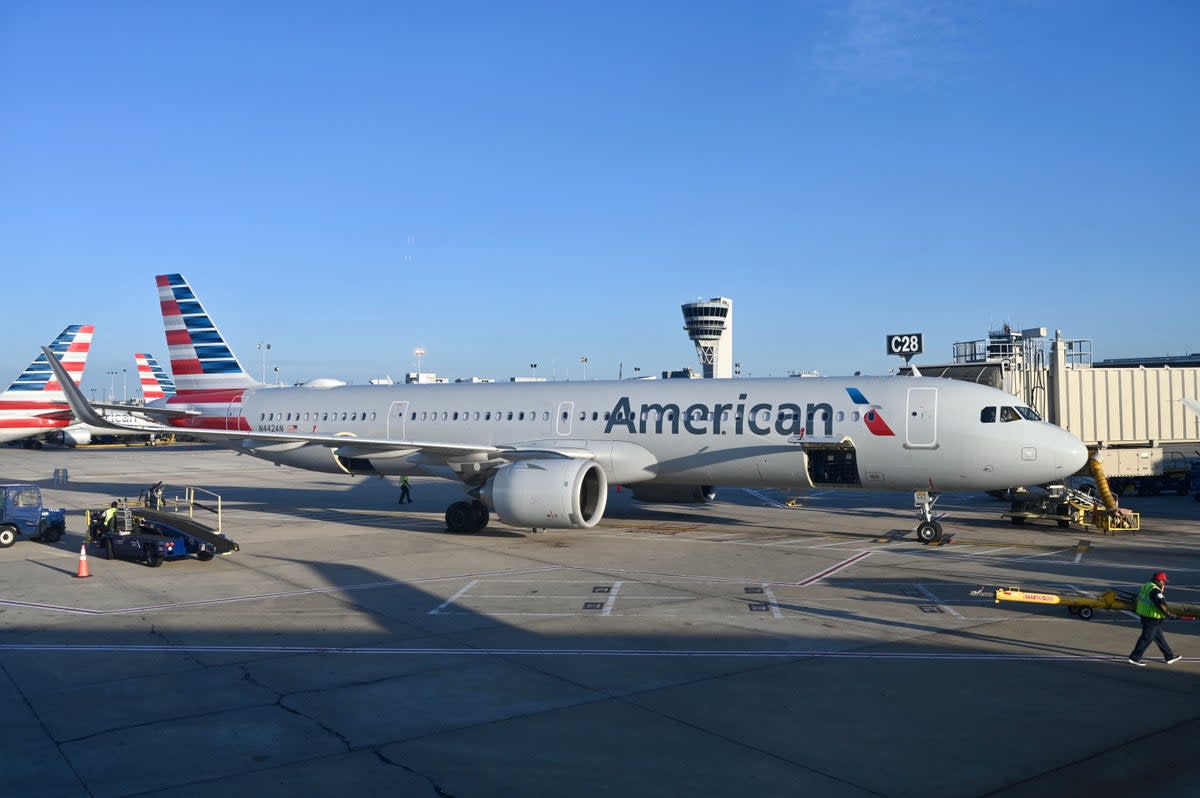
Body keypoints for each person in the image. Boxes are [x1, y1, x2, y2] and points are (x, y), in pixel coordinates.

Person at [1128, 571, 1183, 666]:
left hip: (1145, 615)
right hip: (1152, 618)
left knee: (1159, 637)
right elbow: (1160, 605)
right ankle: (1135, 657)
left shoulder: (1147, 585)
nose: (1164, 583)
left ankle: (1169, 657)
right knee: (1146, 638)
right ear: (1158, 580)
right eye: (1163, 581)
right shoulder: (1155, 591)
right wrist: (1169, 614)